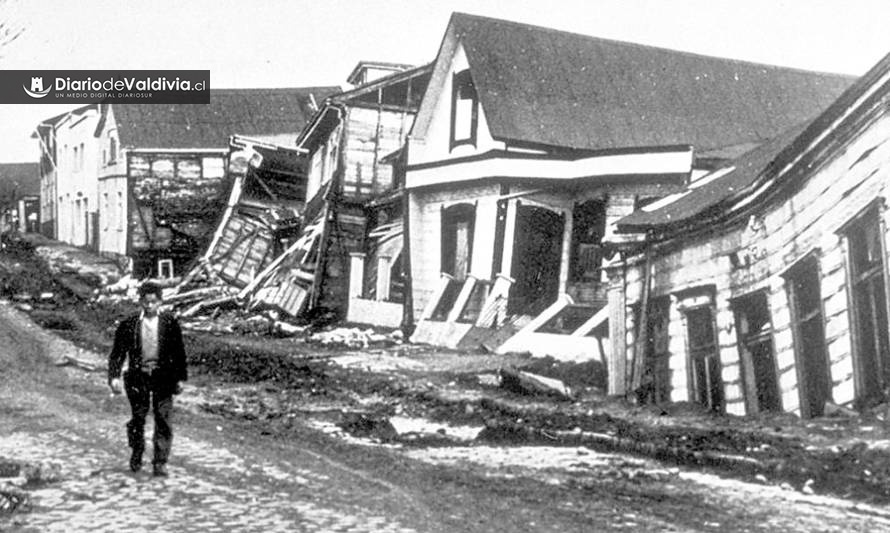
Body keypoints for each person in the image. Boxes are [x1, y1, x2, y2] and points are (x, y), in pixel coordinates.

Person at [108, 281, 187, 477]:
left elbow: (179, 353)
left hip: (163, 377)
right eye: (145, 301)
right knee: (138, 418)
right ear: (140, 301)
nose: (149, 305)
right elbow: (117, 352)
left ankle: (160, 462)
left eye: (153, 302)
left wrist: (180, 379)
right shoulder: (130, 323)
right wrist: (114, 377)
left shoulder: (169, 323)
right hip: (138, 377)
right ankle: (136, 452)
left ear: (160, 302)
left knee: (163, 419)